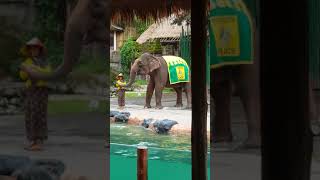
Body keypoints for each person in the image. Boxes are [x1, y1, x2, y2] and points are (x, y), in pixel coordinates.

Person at [19, 37, 51, 151]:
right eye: (32, 49)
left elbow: (48, 73)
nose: (34, 51)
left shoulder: (45, 62)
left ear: (40, 50)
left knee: (40, 114)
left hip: (42, 90)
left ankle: (39, 140)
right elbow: (23, 75)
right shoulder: (27, 62)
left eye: (36, 49)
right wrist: (30, 70)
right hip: (31, 90)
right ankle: (33, 140)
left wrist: (33, 69)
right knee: (30, 113)